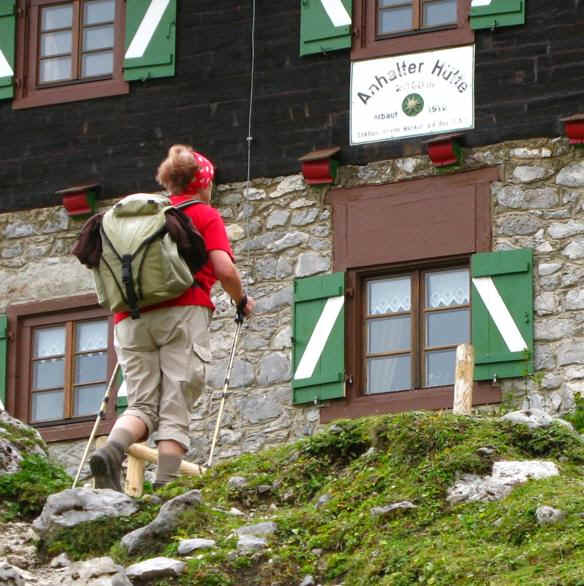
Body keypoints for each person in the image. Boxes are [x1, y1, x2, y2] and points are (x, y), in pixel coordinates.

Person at [90, 145, 254, 491]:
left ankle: (113, 450)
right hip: (183, 312)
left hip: (130, 318)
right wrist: (241, 300)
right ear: (202, 183)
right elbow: (224, 270)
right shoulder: (204, 214)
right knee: (175, 406)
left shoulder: (144, 218)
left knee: (141, 406)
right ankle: (165, 491)